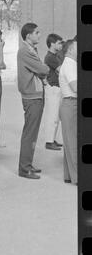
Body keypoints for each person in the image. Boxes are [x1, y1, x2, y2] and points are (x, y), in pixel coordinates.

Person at [17, 22, 49, 180]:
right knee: (30, 133)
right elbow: (43, 69)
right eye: (37, 33)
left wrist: (41, 69)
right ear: (28, 36)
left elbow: (40, 69)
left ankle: (27, 163)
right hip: (32, 96)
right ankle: (24, 168)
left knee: (33, 132)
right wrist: (43, 69)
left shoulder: (31, 49)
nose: (39, 35)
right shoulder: (25, 51)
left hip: (36, 94)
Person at [59, 39, 77, 185]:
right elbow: (76, 87)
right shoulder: (69, 64)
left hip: (69, 103)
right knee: (73, 142)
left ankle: (69, 175)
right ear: (70, 50)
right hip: (71, 103)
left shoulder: (70, 63)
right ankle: (78, 177)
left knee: (70, 141)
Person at [44, 33, 64, 151]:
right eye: (58, 43)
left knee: (56, 116)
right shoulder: (50, 57)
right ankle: (49, 141)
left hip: (56, 88)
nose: (60, 45)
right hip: (53, 88)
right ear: (52, 44)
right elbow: (61, 70)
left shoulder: (55, 55)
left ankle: (52, 139)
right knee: (52, 116)